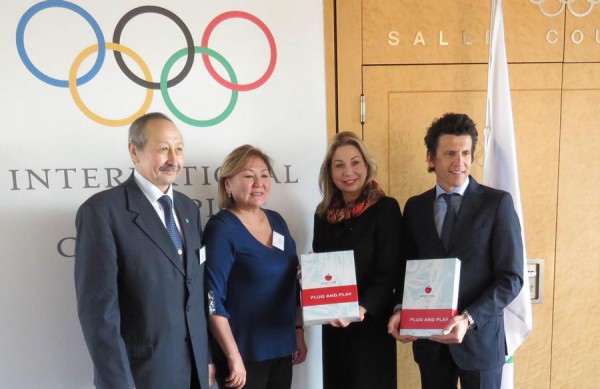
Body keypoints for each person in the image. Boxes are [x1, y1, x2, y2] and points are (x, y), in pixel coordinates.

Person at [74, 112, 213, 388]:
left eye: (179, 149)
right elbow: (99, 315)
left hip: (195, 373)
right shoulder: (102, 212)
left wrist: (206, 357)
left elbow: (193, 293)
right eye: (163, 149)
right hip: (142, 377)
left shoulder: (188, 209)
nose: (174, 159)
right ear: (134, 152)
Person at [387, 112, 524, 389]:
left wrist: (468, 319)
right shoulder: (415, 207)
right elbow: (407, 269)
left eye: (465, 153)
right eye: (449, 153)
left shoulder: (497, 204)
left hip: (481, 341)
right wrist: (401, 308)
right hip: (430, 344)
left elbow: (511, 277)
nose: (459, 162)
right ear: (431, 158)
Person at [203, 145, 307, 389]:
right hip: (243, 354)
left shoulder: (278, 221)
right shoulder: (221, 228)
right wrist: (232, 355)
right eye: (249, 176)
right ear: (228, 185)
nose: (258, 183)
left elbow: (292, 283)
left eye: (264, 175)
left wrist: (298, 331)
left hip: (282, 347)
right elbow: (212, 298)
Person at [313, 131, 402, 389]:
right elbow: (323, 267)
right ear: (330, 172)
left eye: (355, 162)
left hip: (371, 325)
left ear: (366, 166)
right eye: (339, 165)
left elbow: (389, 272)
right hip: (334, 326)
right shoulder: (322, 215)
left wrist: (362, 308)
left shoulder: (385, 209)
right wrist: (310, 276)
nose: (348, 171)